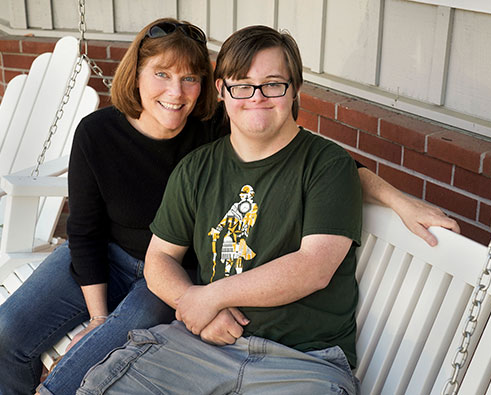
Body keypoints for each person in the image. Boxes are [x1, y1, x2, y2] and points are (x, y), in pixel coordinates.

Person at [0, 18, 459, 395]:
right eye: (162, 75)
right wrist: (102, 317)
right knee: (4, 337)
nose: (175, 92)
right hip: (123, 272)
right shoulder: (116, 137)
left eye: (190, 79)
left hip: (248, 332)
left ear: (294, 91)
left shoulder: (225, 134)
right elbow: (95, 236)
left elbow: (324, 190)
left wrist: (399, 200)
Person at [75, 25, 362, 394]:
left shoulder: (328, 165)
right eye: (242, 84)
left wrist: (208, 298)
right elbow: (159, 257)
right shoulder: (197, 168)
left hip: (302, 363)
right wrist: (195, 310)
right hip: (200, 348)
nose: (257, 97)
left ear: (295, 90)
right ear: (222, 91)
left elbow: (313, 269)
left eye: (273, 83)